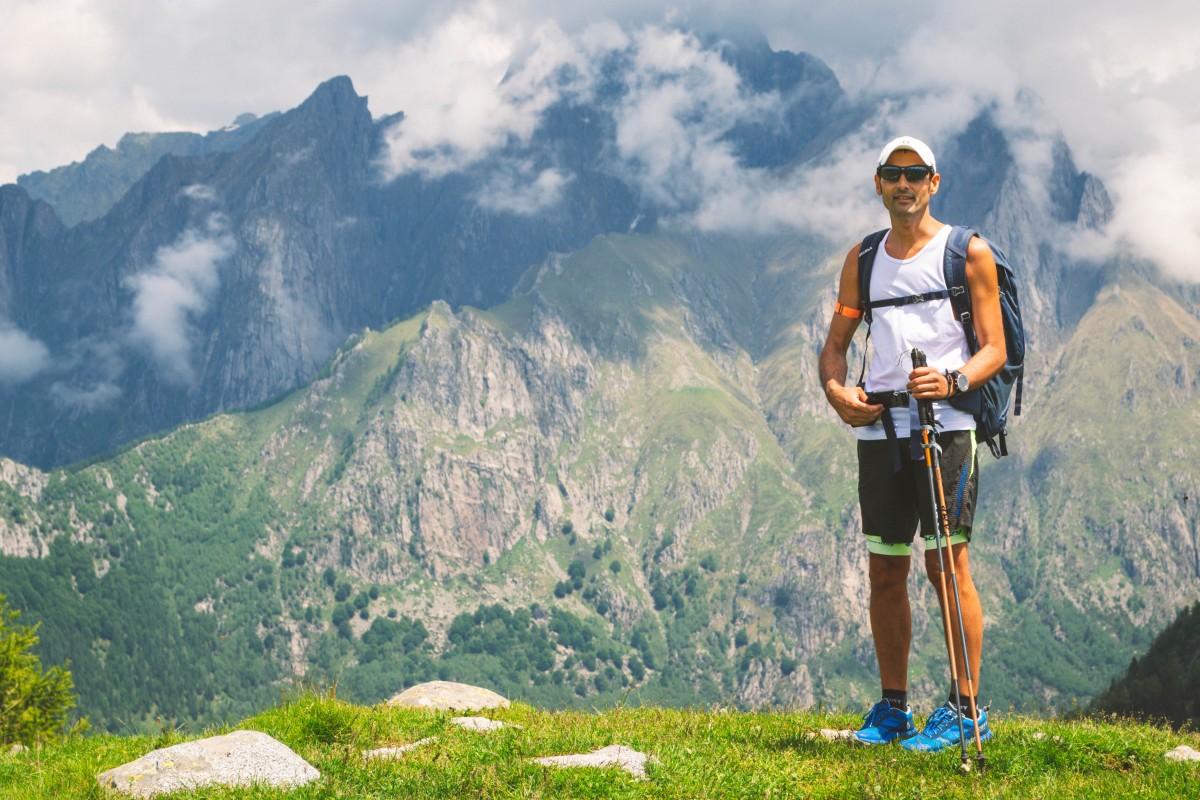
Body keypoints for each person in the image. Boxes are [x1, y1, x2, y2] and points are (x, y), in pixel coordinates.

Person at [817, 136, 1007, 752]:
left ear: (934, 181)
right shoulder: (864, 260)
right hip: (880, 427)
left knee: (946, 565)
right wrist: (835, 391)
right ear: (878, 184)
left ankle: (965, 709)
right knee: (884, 568)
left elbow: (995, 348)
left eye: (915, 174)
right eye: (893, 174)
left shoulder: (967, 253)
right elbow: (837, 344)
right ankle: (893, 708)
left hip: (947, 426)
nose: (905, 184)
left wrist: (952, 379)